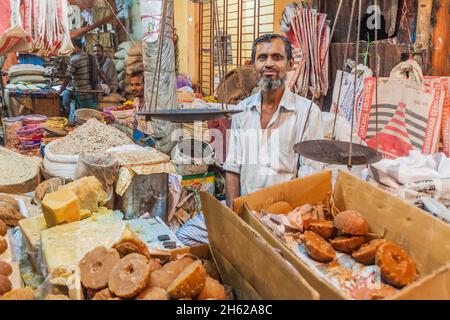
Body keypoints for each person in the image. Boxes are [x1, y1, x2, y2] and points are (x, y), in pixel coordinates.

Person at [224, 34, 323, 207]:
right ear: (254, 66)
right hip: (246, 212)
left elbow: (310, 176)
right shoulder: (241, 110)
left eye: (277, 57)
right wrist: (233, 218)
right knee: (186, 234)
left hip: (285, 216)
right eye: (262, 58)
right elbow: (233, 169)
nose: (269, 63)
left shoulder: (307, 113)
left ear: (290, 64)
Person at [59, 38, 98, 115]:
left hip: (81, 91)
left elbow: (67, 77)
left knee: (84, 115)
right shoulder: (89, 56)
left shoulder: (74, 59)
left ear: (75, 47)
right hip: (91, 90)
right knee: (90, 115)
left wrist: (60, 91)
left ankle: (66, 114)